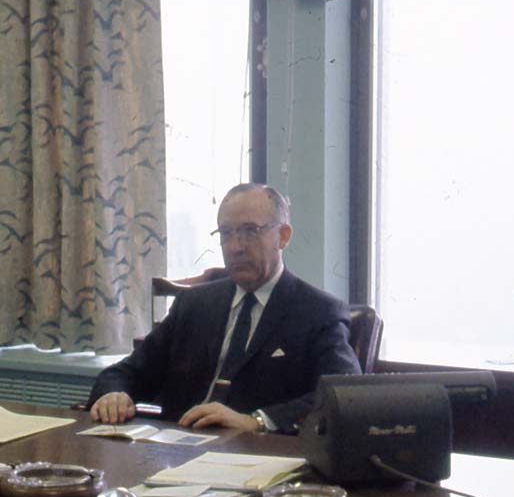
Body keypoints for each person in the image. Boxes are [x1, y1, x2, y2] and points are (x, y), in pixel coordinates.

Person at [87, 183, 361, 434]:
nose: (235, 247)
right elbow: (124, 372)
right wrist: (114, 395)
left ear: (283, 236)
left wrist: (257, 421)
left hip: (256, 455)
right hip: (178, 449)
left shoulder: (316, 311)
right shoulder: (194, 303)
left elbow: (344, 393)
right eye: (226, 234)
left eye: (249, 232)